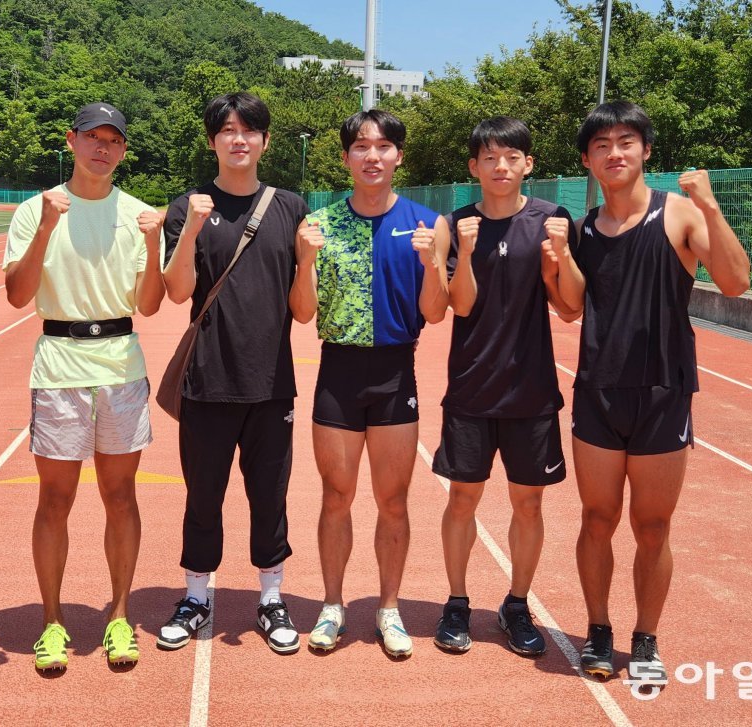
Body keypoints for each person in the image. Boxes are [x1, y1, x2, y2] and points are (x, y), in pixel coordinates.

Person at [554, 101, 750, 682]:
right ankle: (598, 629)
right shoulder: (583, 230)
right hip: (598, 390)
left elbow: (736, 282)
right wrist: (555, 261)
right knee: (596, 518)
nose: (614, 153)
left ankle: (645, 638)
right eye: (601, 145)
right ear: (587, 160)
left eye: (626, 142)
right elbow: (569, 309)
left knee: (653, 526)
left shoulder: (681, 214)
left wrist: (710, 205)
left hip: (664, 391)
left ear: (645, 151)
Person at [3, 102, 165, 671]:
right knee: (55, 500)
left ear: (123, 150)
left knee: (121, 497)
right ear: (71, 140)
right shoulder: (35, 210)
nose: (102, 148)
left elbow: (150, 305)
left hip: (121, 368)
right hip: (59, 368)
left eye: (113, 140)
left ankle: (119, 616)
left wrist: (153, 246)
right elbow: (17, 295)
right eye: (92, 137)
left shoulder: (140, 215)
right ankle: (52, 622)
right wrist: (48, 227)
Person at [291, 109, 450, 658]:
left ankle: (388, 608)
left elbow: (435, 313)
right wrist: (304, 261)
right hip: (337, 371)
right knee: (336, 496)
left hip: (394, 373)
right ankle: (332, 605)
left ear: (398, 156)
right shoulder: (319, 224)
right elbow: (303, 312)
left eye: (383, 146)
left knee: (393, 500)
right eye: (361, 147)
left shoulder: (427, 223)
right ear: (346, 158)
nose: (372, 156)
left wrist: (433, 263)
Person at [158, 92, 310, 654]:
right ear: (212, 141)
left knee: (270, 496)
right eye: (227, 130)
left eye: (249, 130)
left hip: (271, 384)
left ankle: (270, 598)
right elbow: (177, 292)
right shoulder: (188, 208)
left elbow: (303, 310)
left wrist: (309, 260)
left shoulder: (290, 208)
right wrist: (191, 230)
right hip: (207, 379)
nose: (238, 139)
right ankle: (196, 596)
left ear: (265, 141)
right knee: (204, 496)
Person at [431, 117, 577, 658]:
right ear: (474, 166)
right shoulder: (455, 224)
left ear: (528, 164)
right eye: (490, 157)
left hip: (531, 391)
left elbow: (570, 307)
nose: (501, 166)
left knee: (529, 503)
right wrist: (467, 253)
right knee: (462, 499)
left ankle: (517, 604)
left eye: (512, 156)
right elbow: (459, 305)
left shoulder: (552, 219)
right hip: (471, 388)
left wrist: (559, 259)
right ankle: (456, 603)